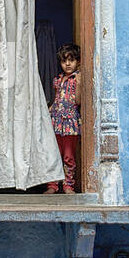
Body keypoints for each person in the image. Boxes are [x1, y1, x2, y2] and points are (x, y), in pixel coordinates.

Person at [47, 43, 81, 193]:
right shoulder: (58, 79)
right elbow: (57, 100)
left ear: (78, 61)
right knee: (54, 154)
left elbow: (78, 101)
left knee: (68, 156)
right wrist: (48, 111)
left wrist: (79, 83)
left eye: (71, 60)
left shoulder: (76, 79)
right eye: (64, 61)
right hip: (56, 121)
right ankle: (52, 185)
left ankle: (68, 185)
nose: (67, 64)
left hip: (70, 123)